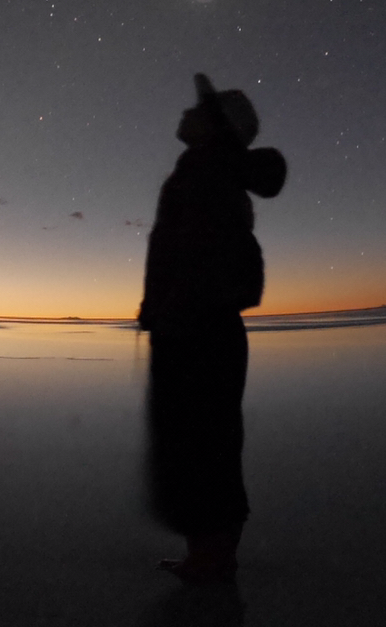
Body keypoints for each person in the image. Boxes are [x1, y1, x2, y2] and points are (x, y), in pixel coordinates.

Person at [138, 73, 288, 583]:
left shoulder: (208, 171)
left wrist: (174, 307)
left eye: (198, 107)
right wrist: (156, 306)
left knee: (205, 445)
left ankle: (213, 557)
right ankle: (207, 552)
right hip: (192, 325)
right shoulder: (203, 169)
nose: (185, 112)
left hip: (199, 330)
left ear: (216, 125)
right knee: (198, 442)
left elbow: (205, 255)